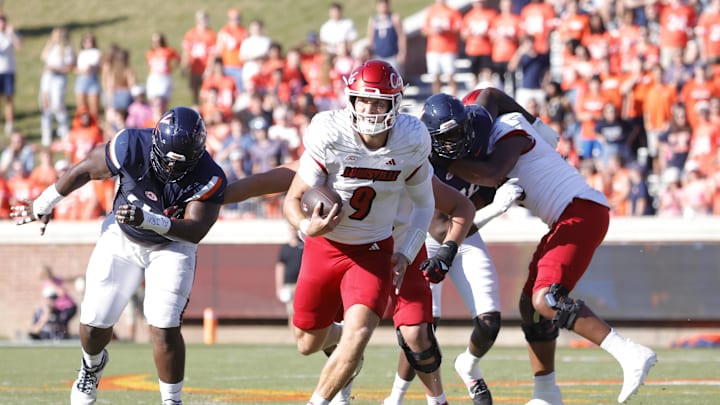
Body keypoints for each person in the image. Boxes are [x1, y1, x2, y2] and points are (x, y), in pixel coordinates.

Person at [429, 88, 658, 405]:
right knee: (530, 308)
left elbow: (493, 154)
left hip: (581, 212)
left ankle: (629, 352)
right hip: (565, 219)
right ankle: (546, 393)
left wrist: (439, 159)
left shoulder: (508, 128)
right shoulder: (483, 154)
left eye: (460, 134)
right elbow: (452, 221)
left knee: (546, 299)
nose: (457, 143)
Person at [10, 106, 226, 405]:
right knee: (94, 321)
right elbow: (85, 169)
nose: (172, 170)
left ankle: (172, 401)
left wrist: (150, 220)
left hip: (172, 245)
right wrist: (44, 203)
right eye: (168, 161)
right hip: (123, 237)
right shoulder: (130, 145)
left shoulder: (209, 175)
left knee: (163, 324)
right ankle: (91, 366)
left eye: (182, 163)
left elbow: (195, 229)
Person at [222, 160, 481, 405]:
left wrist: (446, 252)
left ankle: (437, 399)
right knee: (312, 340)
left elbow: (461, 206)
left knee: (416, 333)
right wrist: (212, 194)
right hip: (345, 251)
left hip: (403, 248)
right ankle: (346, 370)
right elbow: (265, 181)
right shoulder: (333, 150)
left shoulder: (404, 159)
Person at [282, 59, 435, 405]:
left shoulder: (410, 140)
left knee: (360, 332)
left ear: (395, 104)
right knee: (307, 343)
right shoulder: (329, 132)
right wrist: (308, 226)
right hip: (325, 246)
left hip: (372, 250)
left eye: (379, 102)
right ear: (350, 99)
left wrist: (406, 251)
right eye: (363, 100)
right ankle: (344, 349)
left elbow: (425, 206)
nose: (369, 109)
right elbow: (291, 200)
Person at [39, 27, 74, 147]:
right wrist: (49, 44)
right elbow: (43, 57)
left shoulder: (67, 49)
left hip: (58, 78)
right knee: (45, 105)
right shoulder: (51, 47)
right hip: (47, 78)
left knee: (58, 105)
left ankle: (64, 132)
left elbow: (69, 67)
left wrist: (56, 69)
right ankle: (46, 134)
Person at [421, 0, 462, 95]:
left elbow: (458, 29)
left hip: (449, 49)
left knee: (451, 77)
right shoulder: (430, 11)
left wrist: (446, 30)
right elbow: (423, 30)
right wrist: (433, 30)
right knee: (435, 78)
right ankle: (436, 99)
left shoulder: (452, 11)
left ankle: (455, 100)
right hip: (433, 49)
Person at [181, 10, 216, 106]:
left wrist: (209, 69)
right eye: (201, 19)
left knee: (205, 92)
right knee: (194, 92)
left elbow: (212, 54)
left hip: (205, 68)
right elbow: (186, 51)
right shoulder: (190, 34)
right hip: (194, 68)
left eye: (204, 19)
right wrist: (184, 66)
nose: (203, 21)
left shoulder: (211, 34)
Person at [275, 224, 304, 333]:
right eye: (291, 229)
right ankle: (293, 334)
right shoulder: (285, 248)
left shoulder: (303, 246)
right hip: (289, 284)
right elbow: (279, 267)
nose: (293, 232)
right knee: (290, 311)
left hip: (301, 284)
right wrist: (279, 286)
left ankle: (300, 333)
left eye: (294, 229)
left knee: (300, 310)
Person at [366, 0, 406, 74]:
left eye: (385, 3)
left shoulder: (394, 18)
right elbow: (370, 38)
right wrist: (369, 53)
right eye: (381, 4)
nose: (383, 6)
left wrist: (402, 52)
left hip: (393, 55)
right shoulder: (373, 20)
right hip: (378, 55)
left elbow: (401, 36)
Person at [0, 14, 20, 136]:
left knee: (9, 99)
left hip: (8, 71)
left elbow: (19, 46)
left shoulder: (9, 35)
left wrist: (12, 34)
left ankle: (9, 123)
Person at [74, 32, 102, 119]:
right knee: (82, 109)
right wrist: (82, 71)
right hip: (82, 79)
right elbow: (74, 68)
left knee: (94, 109)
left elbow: (101, 68)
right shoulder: (80, 53)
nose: (88, 44)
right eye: (86, 42)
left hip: (93, 79)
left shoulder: (98, 53)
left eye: (90, 42)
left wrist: (93, 69)